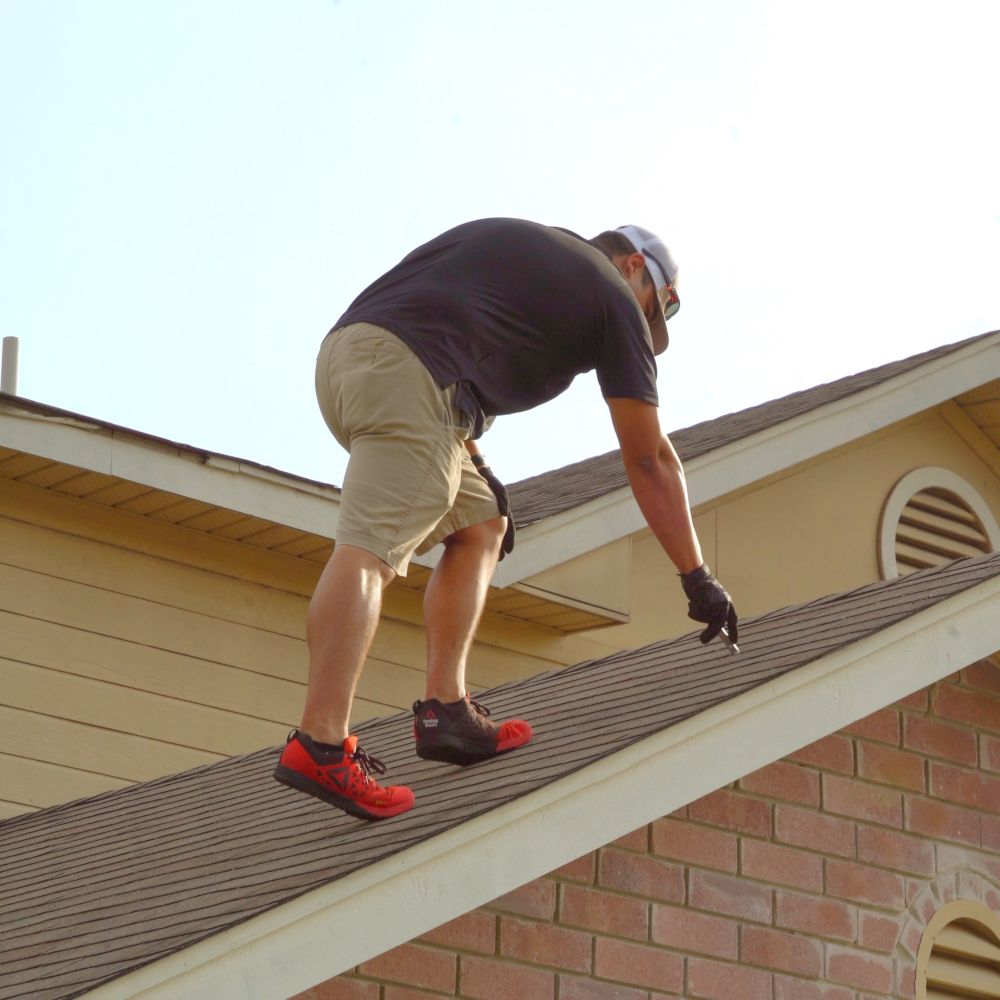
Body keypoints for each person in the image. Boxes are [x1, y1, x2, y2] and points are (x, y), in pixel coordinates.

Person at [273, 218, 738, 820]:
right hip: (409, 375)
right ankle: (321, 744)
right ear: (632, 268)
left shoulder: (537, 251)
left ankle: (446, 712)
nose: (642, 327)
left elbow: (446, 329)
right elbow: (649, 458)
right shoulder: (610, 294)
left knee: (481, 521)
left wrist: (478, 464)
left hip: (349, 361)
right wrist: (696, 576)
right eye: (652, 308)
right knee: (370, 550)